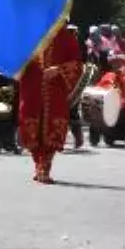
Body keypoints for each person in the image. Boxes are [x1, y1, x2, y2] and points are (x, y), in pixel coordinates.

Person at [19, 26, 84, 184]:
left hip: (55, 91)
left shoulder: (66, 37)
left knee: (52, 128)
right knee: (30, 125)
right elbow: (15, 58)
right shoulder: (29, 33)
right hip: (31, 88)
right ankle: (38, 163)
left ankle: (45, 166)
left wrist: (59, 69)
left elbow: (78, 65)